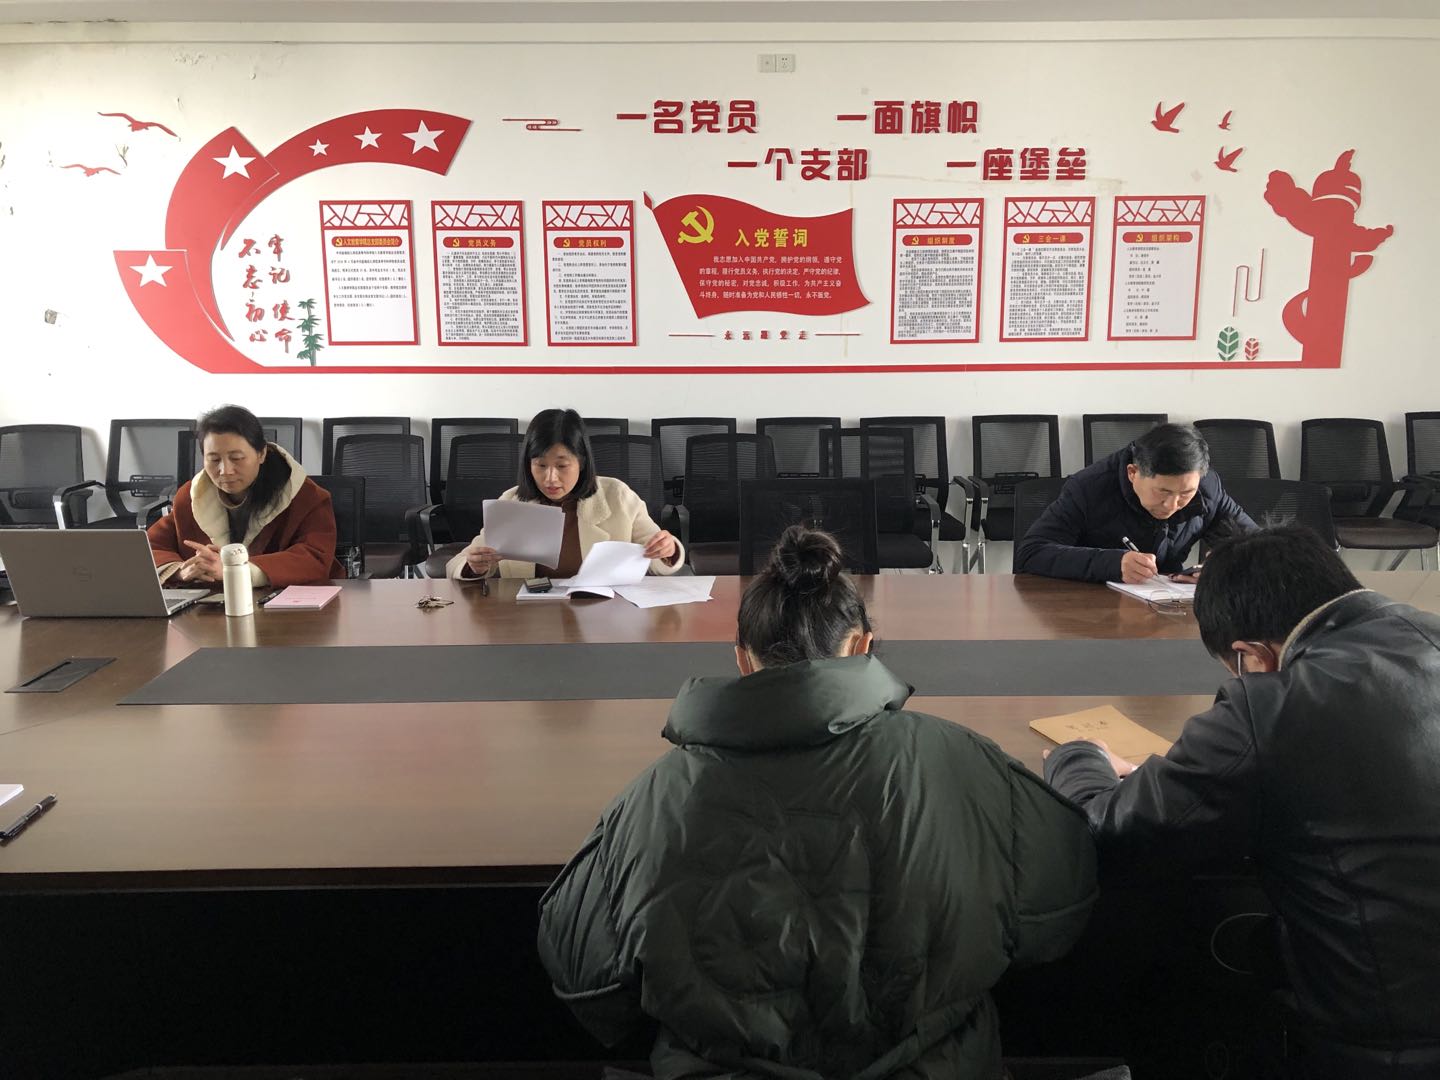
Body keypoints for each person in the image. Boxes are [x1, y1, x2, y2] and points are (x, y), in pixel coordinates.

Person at [537, 526, 1098, 1079]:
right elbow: (1062, 906)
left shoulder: (654, 798)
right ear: (861, 647)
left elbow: (582, 978)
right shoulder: (967, 762)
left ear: (742, 659)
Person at [1044, 524, 1440, 1077]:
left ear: (1250, 655)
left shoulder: (1271, 707)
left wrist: (1080, 757)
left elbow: (1110, 829)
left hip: (1381, 1038)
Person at [445, 408, 683, 580]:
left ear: (581, 462)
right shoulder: (511, 502)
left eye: (562, 466)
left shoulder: (617, 496)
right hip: (529, 617)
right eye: (540, 465)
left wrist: (668, 550)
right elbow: (457, 563)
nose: (550, 478)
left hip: (604, 612)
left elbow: (657, 557)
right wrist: (474, 566)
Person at [1014, 422, 1256, 584]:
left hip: (1169, 608)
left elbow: (1259, 545)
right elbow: (1031, 554)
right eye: (1163, 491)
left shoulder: (1207, 487)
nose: (1172, 504)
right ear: (1133, 473)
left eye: (1185, 493)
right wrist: (1112, 563)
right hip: (1095, 610)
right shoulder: (1088, 488)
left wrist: (1223, 566)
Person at [148, 405, 342, 586]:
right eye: (214, 459)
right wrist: (180, 571)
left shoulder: (305, 496)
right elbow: (149, 548)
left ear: (262, 453)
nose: (225, 470)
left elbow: (314, 559)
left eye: (237, 458)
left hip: (288, 603)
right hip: (212, 604)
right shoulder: (191, 498)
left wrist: (236, 571)